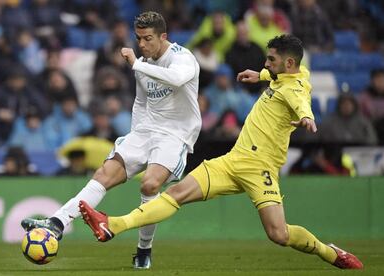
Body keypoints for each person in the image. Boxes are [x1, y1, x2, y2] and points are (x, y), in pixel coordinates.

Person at [78, 35, 363, 270]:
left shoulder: (295, 90)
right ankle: (112, 224)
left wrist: (307, 118)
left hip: (259, 169)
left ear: (288, 63)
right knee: (175, 194)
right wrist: (262, 74)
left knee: (279, 234)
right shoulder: (292, 73)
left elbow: (300, 99)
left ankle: (330, 253)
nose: (266, 64)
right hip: (233, 160)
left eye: (271, 60)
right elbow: (289, 80)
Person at [21, 11, 201, 269]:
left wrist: (136, 63)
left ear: (164, 37)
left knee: (150, 186)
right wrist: (136, 133)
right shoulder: (145, 62)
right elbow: (141, 101)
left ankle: (143, 250)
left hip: (175, 134)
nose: (142, 45)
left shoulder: (182, 57)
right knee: (104, 173)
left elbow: (177, 78)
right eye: (138, 38)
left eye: (148, 39)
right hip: (146, 130)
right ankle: (57, 223)